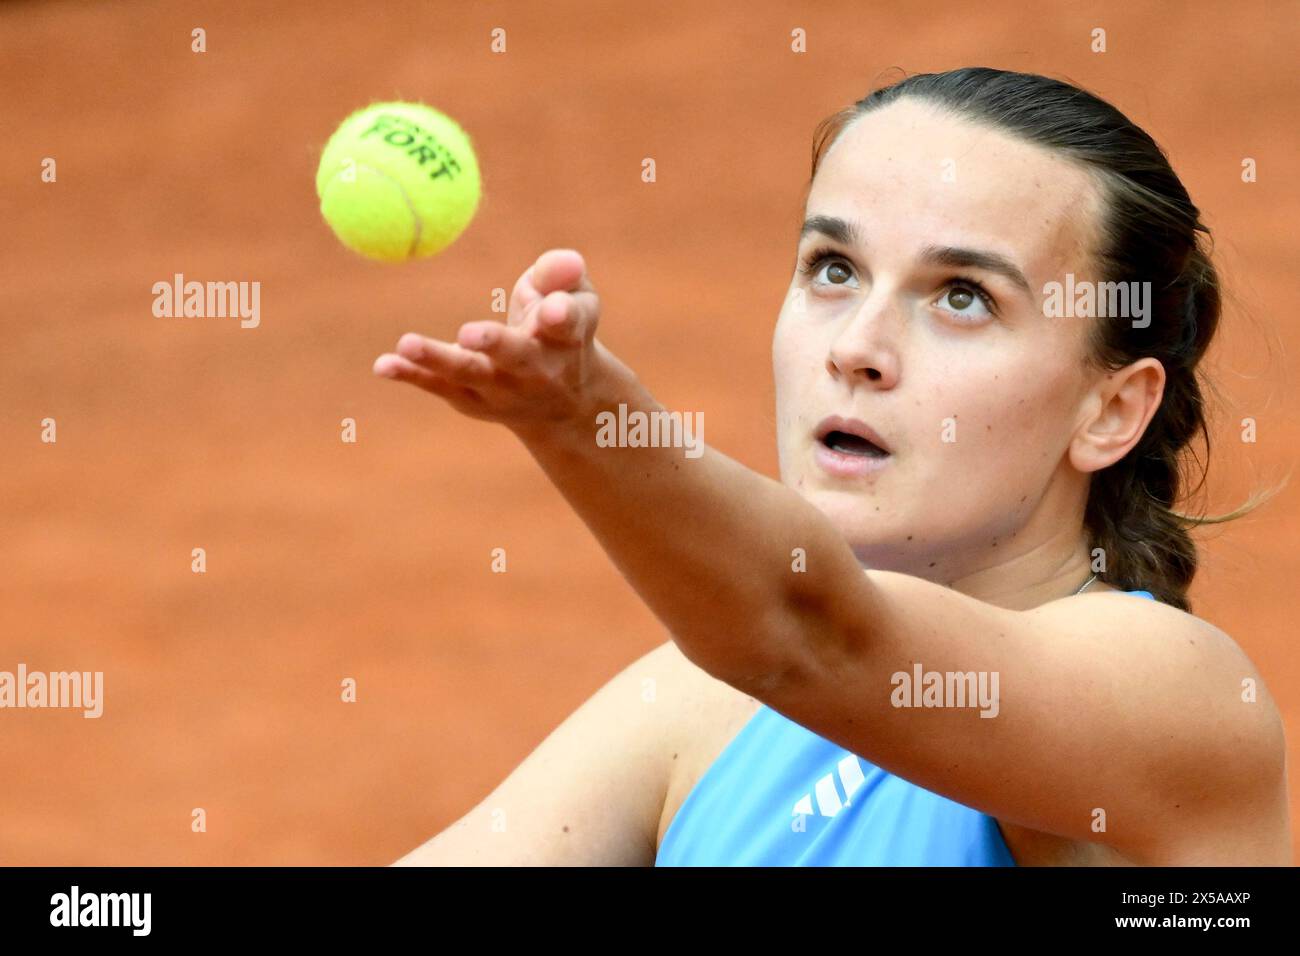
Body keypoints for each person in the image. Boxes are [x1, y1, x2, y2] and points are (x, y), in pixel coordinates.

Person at [379, 68, 1291, 866]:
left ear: (1110, 410)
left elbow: (806, 631)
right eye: (832, 269)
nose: (856, 347)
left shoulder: (1180, 698)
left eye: (964, 297)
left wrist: (584, 419)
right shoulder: (701, 707)